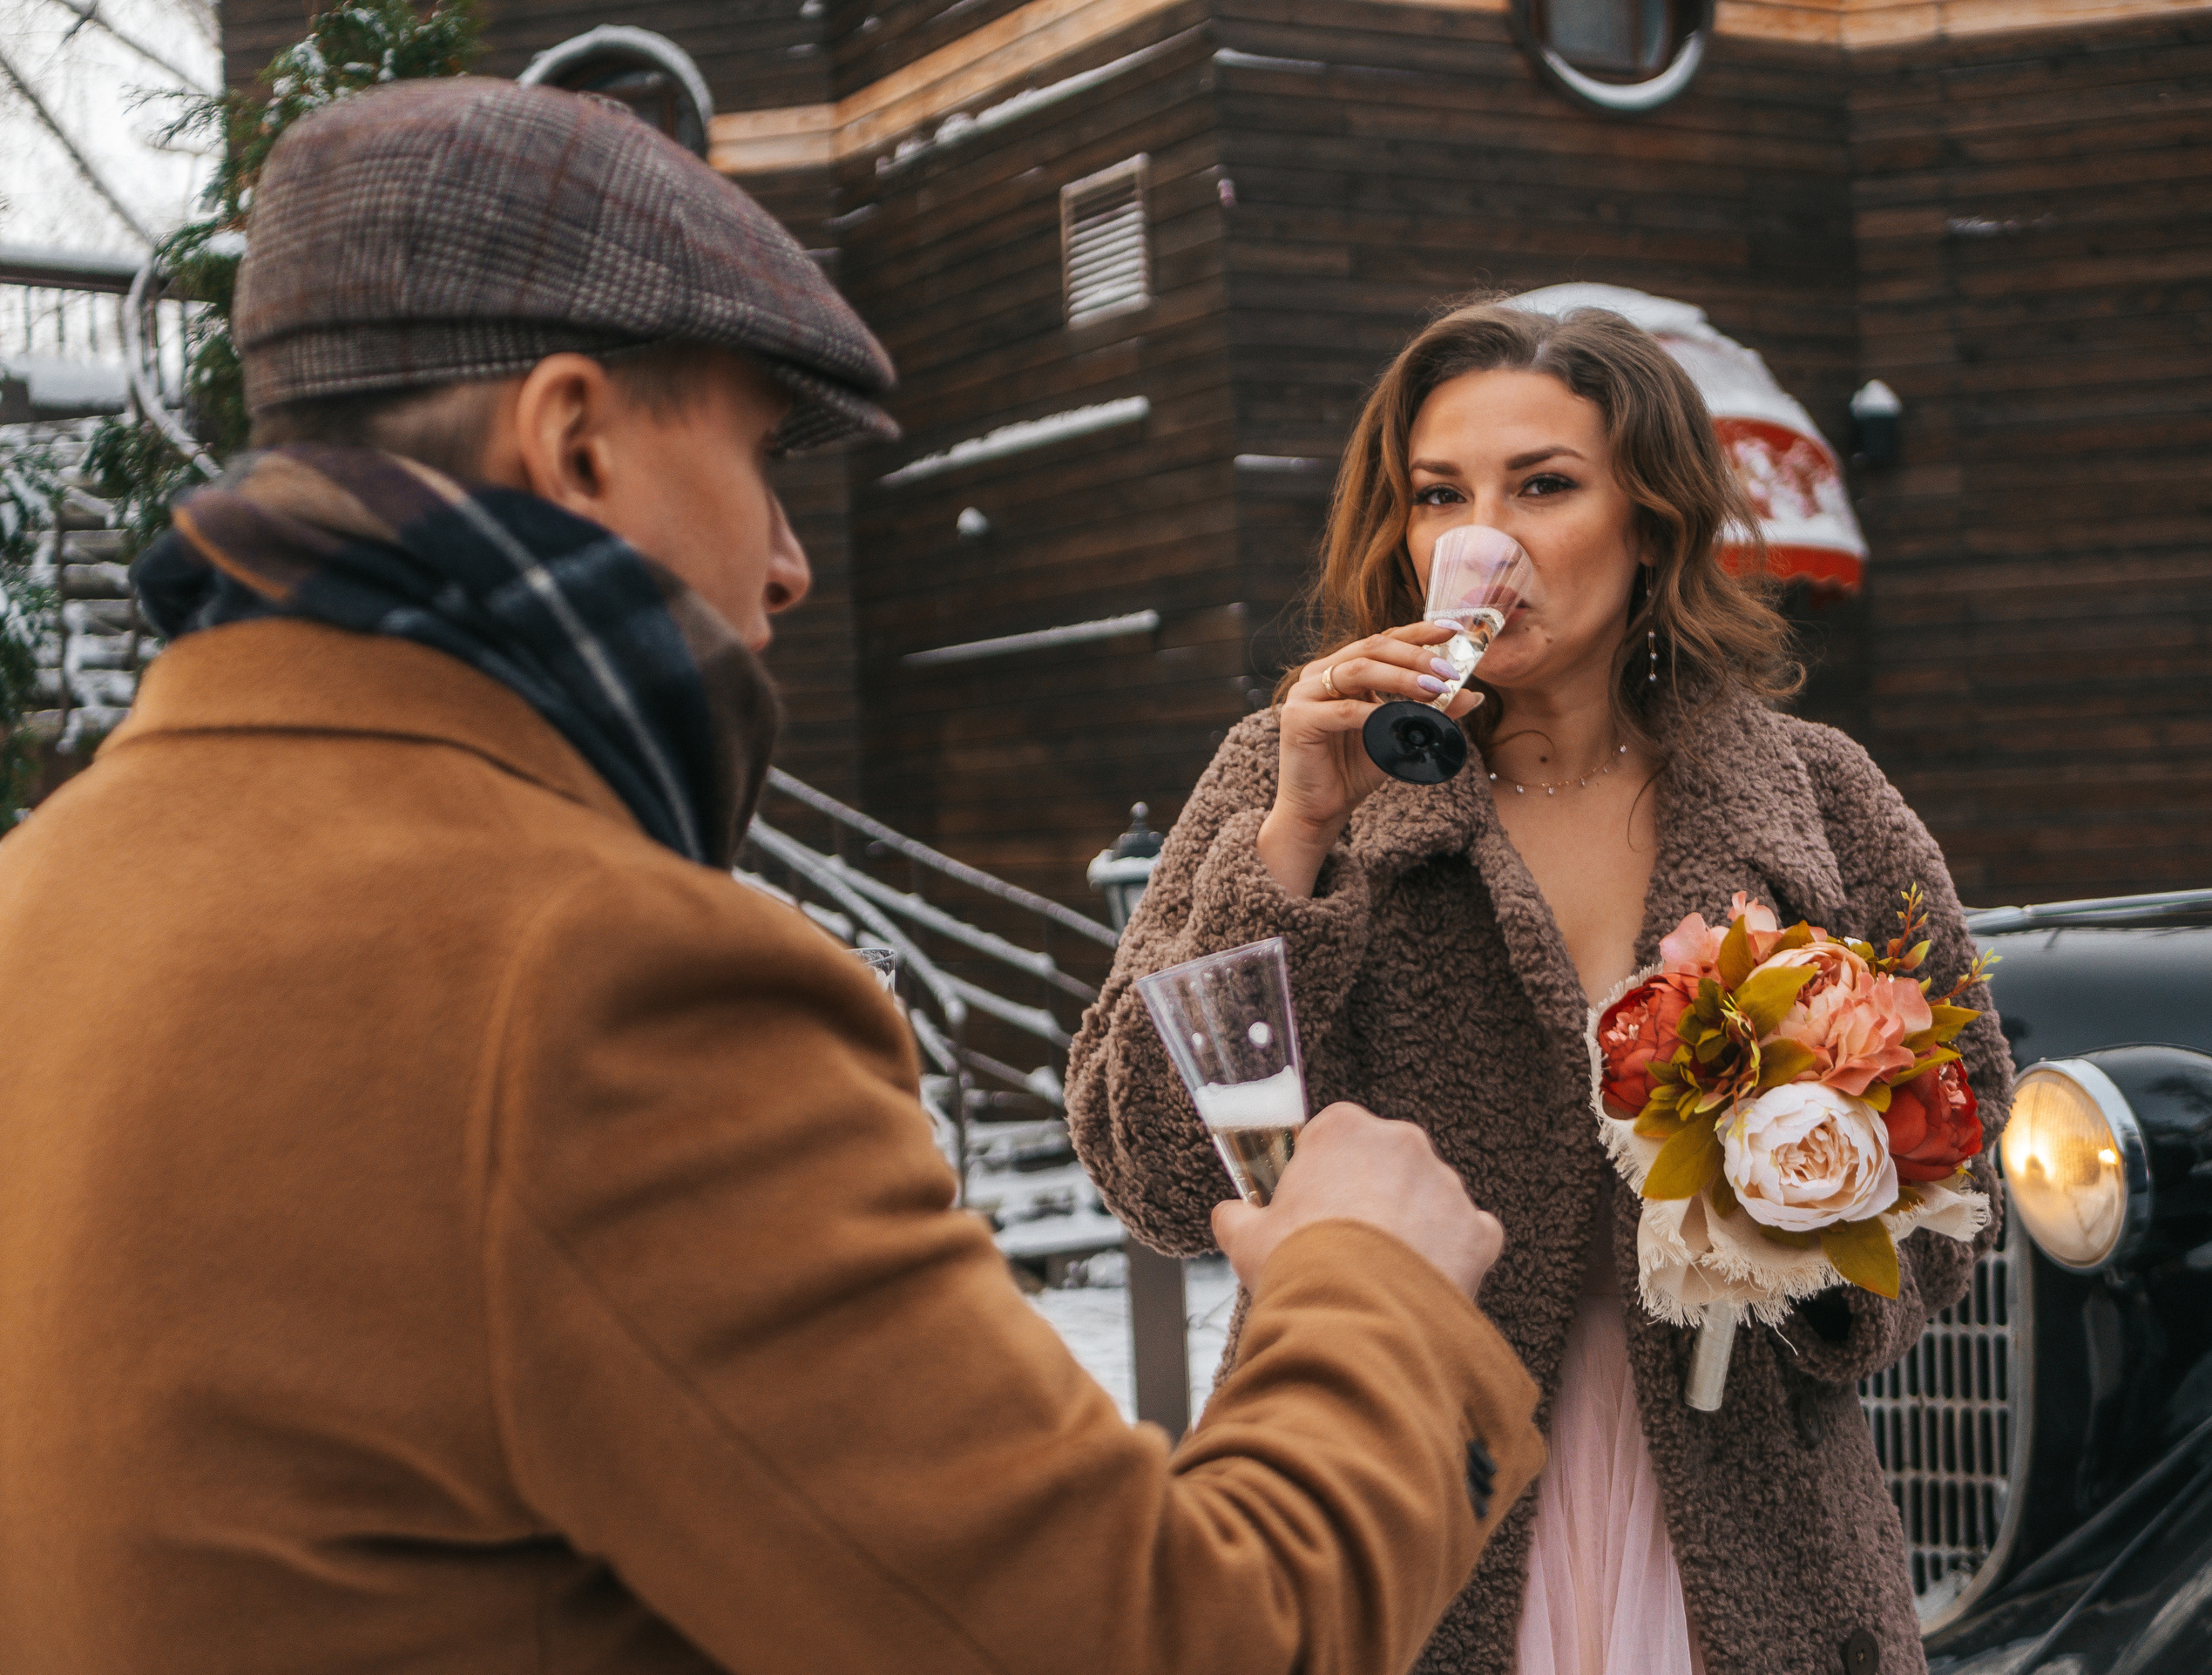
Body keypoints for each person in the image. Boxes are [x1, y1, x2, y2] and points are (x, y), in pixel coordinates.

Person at [0, 80, 1550, 1672]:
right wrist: (1378, 1291)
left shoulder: (46, 888)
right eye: (758, 456)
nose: (793, 565)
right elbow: (1172, 1645)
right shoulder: (602, 979)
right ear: (576, 440)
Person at [1067, 296, 2017, 1675]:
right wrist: (1298, 838)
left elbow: (1963, 1127)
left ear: (1652, 525)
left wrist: (1803, 1240)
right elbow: (1151, 1167)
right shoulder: (1292, 773)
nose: (1484, 539)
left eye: (1545, 486)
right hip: (1396, 1507)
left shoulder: (1819, 796)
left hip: (1747, 1526)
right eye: (1439, 495)